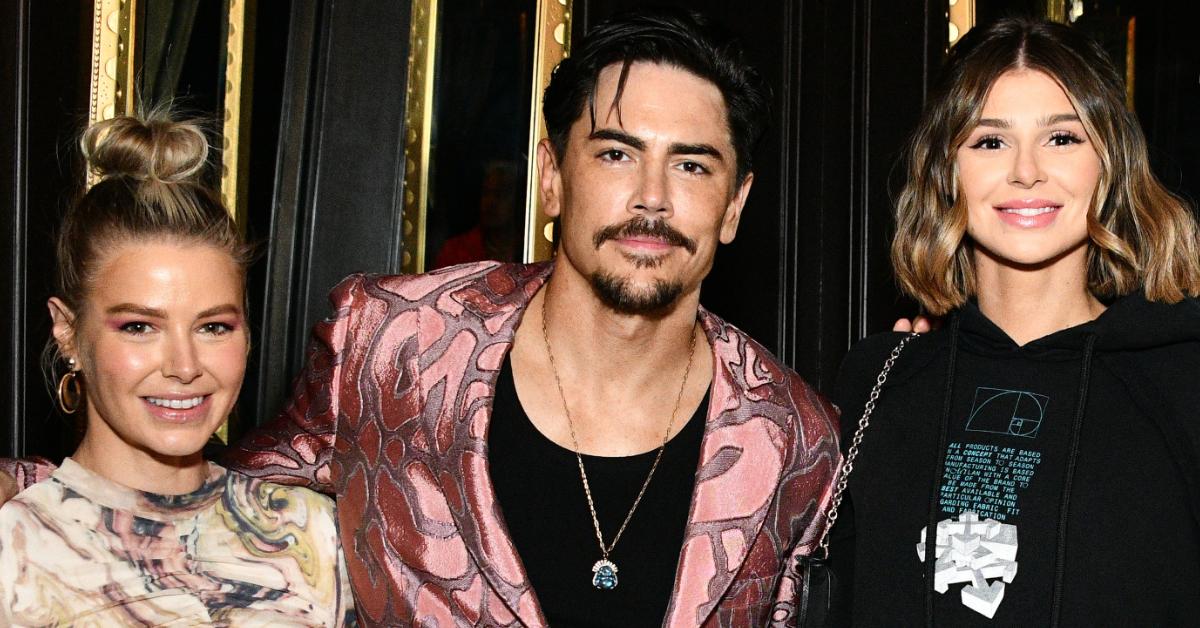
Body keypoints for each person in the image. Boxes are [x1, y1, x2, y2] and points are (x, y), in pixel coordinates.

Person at [3, 9, 839, 627]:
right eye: (616, 153)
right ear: (552, 175)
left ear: (735, 204)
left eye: (692, 165)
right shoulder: (391, 342)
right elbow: (221, 497)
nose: (651, 199)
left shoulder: (793, 438)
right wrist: (37, 496)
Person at [829, 16, 1200, 626]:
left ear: (1110, 164)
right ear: (947, 169)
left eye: (1062, 138)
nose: (1026, 171)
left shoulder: (1182, 377)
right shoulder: (879, 380)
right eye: (990, 141)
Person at [0, 113, 356, 625]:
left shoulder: (311, 529)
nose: (184, 367)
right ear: (67, 331)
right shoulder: (19, 546)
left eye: (213, 327)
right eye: (139, 327)